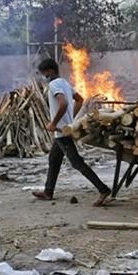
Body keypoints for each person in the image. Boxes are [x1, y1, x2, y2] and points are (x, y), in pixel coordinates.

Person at [32, 58, 112, 206]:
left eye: (44, 73)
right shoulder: (65, 83)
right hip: (63, 130)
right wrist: (71, 119)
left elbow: (63, 103)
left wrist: (54, 123)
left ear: (50, 71)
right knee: (54, 159)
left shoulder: (54, 84)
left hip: (62, 132)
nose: (44, 77)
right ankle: (48, 191)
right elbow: (80, 100)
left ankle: (103, 189)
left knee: (76, 162)